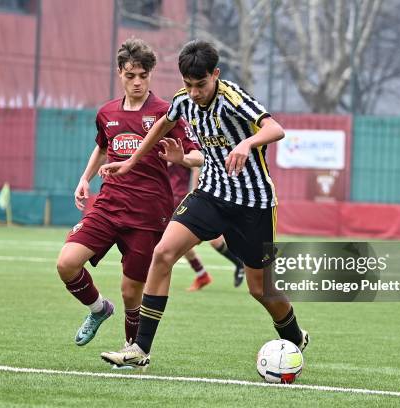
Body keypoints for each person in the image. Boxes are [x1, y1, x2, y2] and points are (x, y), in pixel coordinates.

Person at [99, 40, 308, 370]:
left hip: (253, 203)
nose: (194, 92)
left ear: (216, 75)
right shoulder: (183, 102)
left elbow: (275, 128)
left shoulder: (233, 98)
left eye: (201, 84)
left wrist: (247, 143)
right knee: (163, 253)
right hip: (211, 195)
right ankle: (140, 348)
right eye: (188, 84)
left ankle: (295, 336)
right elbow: (159, 127)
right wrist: (130, 162)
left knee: (259, 288)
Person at [55, 38, 203, 350]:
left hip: (148, 214)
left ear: (151, 75)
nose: (136, 82)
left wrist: (181, 159)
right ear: (120, 74)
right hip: (108, 205)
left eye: (143, 76)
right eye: (130, 75)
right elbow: (102, 147)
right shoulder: (106, 112)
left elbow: (200, 155)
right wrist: (84, 178)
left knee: (130, 291)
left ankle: (132, 350)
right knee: (67, 263)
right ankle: (98, 310)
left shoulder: (167, 112)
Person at [168, 164, 245, 290]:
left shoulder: (182, 148)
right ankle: (202, 275)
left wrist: (193, 190)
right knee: (178, 243)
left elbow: (196, 165)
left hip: (189, 201)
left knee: (215, 241)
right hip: (170, 201)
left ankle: (243, 265)